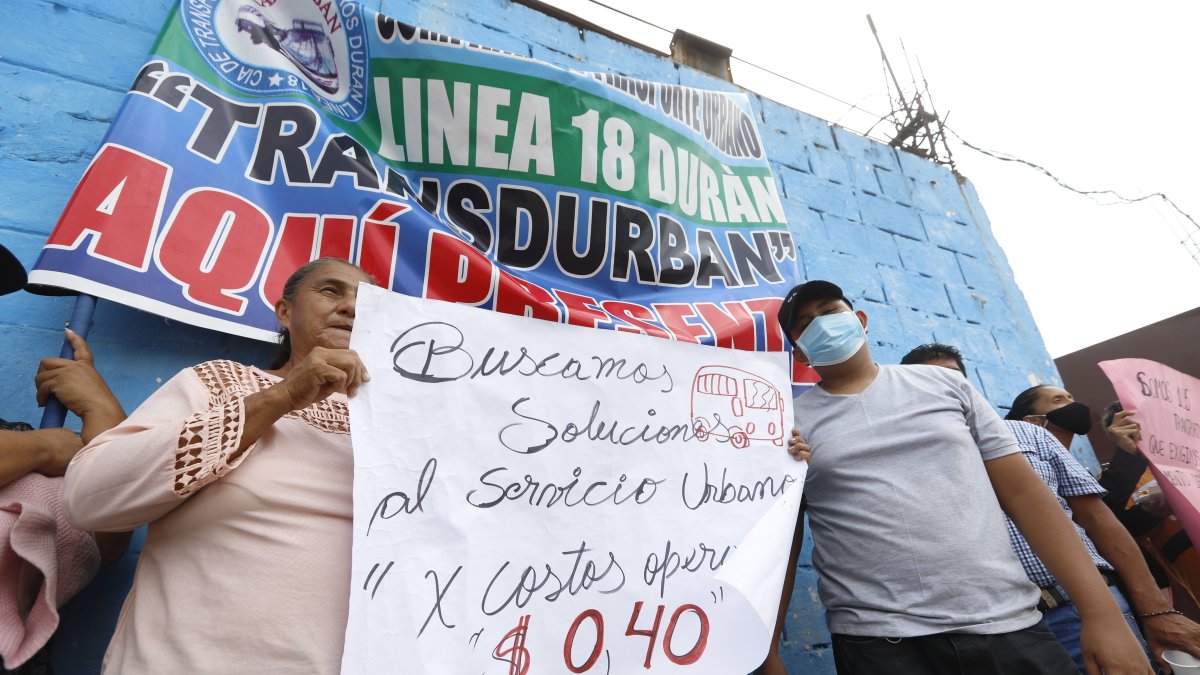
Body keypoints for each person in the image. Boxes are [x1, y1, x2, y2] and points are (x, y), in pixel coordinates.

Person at [761, 280, 1151, 675]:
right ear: (800, 352)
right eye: (805, 325)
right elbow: (781, 541)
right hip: (879, 644)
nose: (821, 325)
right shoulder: (788, 425)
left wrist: (1102, 614)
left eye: (830, 312)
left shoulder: (946, 385)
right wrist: (768, 647)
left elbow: (1025, 495)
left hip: (1007, 623)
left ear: (860, 320)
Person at [62, 257, 372, 674]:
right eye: (331, 291)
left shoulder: (409, 432)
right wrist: (279, 398)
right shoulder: (220, 382)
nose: (351, 307)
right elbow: (87, 497)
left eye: (366, 300)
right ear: (285, 312)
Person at [907, 345, 1200, 673]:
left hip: (1083, 609)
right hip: (998, 629)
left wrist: (1156, 610)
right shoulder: (906, 460)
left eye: (952, 377)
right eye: (928, 379)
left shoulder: (1030, 436)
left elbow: (1099, 521)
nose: (944, 386)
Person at [1005, 383, 1200, 672]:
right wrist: (1126, 456)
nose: (1073, 405)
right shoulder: (1015, 465)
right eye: (1058, 400)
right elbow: (1106, 519)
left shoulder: (1077, 469)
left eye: (1071, 396)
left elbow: (1110, 524)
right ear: (1032, 421)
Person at [0, 243, 128, 673]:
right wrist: (46, 448)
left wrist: (103, 415)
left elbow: (106, 541)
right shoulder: (36, 448)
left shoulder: (16, 438)